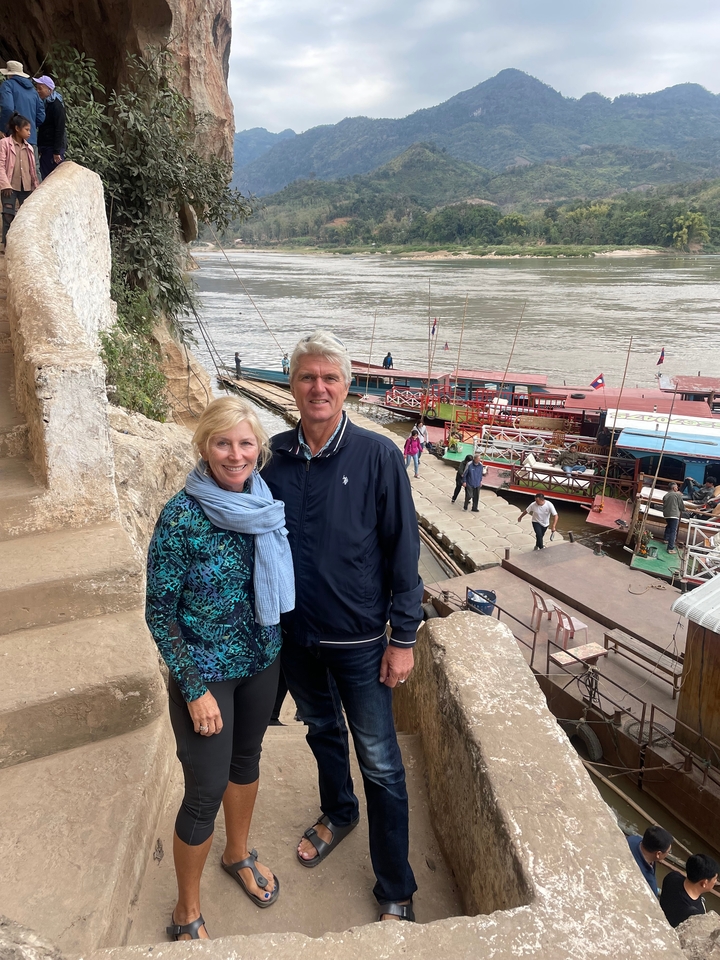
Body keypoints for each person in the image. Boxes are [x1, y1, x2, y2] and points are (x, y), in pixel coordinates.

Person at [261, 330, 423, 924]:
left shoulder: (379, 456)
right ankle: (339, 812)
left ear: (346, 387)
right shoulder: (273, 456)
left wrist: (402, 639)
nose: (319, 387)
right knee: (321, 733)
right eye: (307, 377)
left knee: (381, 760)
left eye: (330, 377)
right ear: (293, 385)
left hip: (360, 643)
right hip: (297, 638)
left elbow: (403, 553)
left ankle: (395, 886)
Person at [145, 396, 295, 941]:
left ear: (260, 449)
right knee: (205, 790)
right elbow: (159, 612)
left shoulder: (264, 501)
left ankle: (237, 854)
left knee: (246, 759)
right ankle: (186, 911)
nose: (236, 455)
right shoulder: (181, 516)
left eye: (246, 443)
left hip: (260, 661)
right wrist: (193, 688)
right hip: (204, 676)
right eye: (223, 443)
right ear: (204, 446)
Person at [0, 113, 39, 248]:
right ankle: (6, 244)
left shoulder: (29, 148)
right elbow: (1, 165)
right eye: (26, 130)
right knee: (8, 215)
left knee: (25, 216)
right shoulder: (4, 144)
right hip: (10, 185)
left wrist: (35, 186)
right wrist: (5, 184)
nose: (29, 133)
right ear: (17, 129)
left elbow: (33, 170)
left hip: (26, 186)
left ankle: (22, 246)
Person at [0, 62, 45, 170]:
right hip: (31, 137)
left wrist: (3, 128)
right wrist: (29, 127)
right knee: (33, 170)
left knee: (11, 170)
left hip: (14, 135)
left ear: (9, 74)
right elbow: (41, 115)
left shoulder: (8, 85)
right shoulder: (33, 91)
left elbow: (8, 108)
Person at [660, 854, 719, 928]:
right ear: (704, 883)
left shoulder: (672, 877)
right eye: (715, 879)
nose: (715, 881)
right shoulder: (695, 914)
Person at [33, 75, 66, 179]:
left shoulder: (56, 105)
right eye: (37, 88)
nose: (37, 91)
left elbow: (59, 129)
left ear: (49, 89)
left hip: (53, 148)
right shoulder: (44, 104)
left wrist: (56, 151)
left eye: (40, 88)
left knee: (52, 178)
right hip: (46, 147)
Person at [627, 826, 673, 896]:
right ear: (658, 854)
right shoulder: (647, 879)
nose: (668, 854)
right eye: (668, 852)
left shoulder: (633, 839)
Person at [662, 482, 685, 554]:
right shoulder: (677, 495)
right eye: (677, 487)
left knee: (669, 526)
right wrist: (684, 509)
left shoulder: (666, 495)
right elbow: (681, 506)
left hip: (666, 514)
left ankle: (666, 539)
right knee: (673, 531)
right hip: (674, 515)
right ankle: (670, 548)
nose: (678, 488)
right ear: (674, 488)